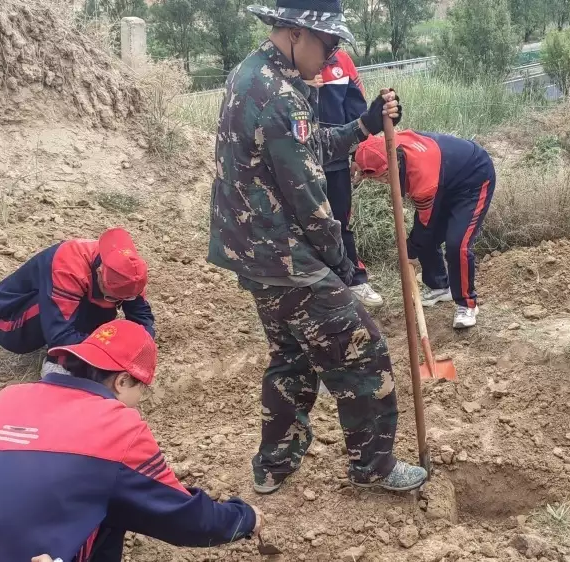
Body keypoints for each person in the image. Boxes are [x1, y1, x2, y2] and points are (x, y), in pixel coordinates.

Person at [207, 0, 427, 495]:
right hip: (285, 256)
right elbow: (310, 200)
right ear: (294, 31)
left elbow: (303, 147)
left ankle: (274, 465)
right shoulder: (278, 93)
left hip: (253, 251)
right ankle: (372, 466)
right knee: (362, 351)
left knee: (293, 354)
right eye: (327, 45)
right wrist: (342, 262)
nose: (330, 59)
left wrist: (364, 126)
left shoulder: (255, 72)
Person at [0, 319, 262, 561]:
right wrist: (244, 518)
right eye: (142, 389)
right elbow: (184, 518)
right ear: (124, 381)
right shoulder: (118, 426)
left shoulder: (12, 395)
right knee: (116, 506)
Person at [352, 129, 495, 329]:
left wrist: (410, 251)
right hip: (444, 178)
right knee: (423, 239)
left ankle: (467, 304)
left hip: (473, 178)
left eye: (383, 177)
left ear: (393, 164)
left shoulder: (421, 175)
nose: (382, 182)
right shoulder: (386, 145)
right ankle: (439, 286)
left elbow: (425, 224)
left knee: (457, 244)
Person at [0, 227, 155, 355]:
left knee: (101, 308)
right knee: (96, 309)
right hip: (9, 322)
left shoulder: (130, 272)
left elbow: (141, 318)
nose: (115, 303)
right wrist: (111, 348)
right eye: (111, 297)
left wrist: (141, 341)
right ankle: (58, 362)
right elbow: (60, 337)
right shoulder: (69, 268)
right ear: (99, 271)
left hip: (61, 304)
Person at [313, 48, 384, 307]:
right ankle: (317, 289)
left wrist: (358, 154)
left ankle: (355, 280)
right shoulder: (289, 61)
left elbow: (356, 110)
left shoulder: (342, 61)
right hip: (297, 165)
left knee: (340, 222)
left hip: (336, 162)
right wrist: (304, 86)